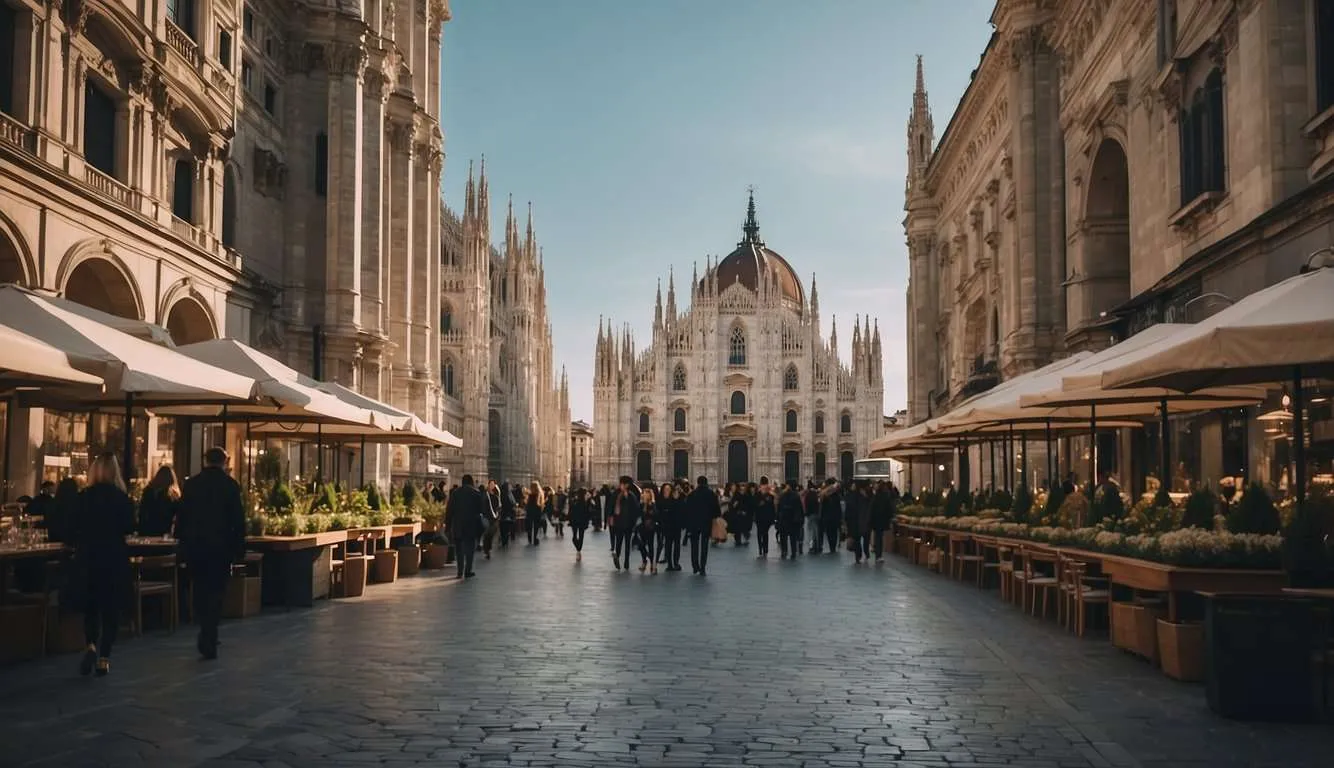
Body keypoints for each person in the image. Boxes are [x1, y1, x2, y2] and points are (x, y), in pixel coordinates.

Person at [178, 446, 246, 661]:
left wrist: (182, 543)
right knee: (217, 591)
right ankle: (210, 631)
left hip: (196, 547)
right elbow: (238, 520)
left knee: (199, 588)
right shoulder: (230, 486)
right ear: (225, 461)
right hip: (221, 548)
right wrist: (239, 549)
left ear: (205, 460)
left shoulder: (191, 485)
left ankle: (205, 626)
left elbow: (182, 517)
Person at [71, 454, 134, 677]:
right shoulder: (121, 498)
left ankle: (90, 644)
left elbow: (72, 525)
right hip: (113, 556)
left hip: (88, 556)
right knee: (111, 609)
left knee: (91, 606)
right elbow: (129, 526)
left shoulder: (83, 497)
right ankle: (104, 658)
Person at [445, 475, 487, 579]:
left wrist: (448, 525)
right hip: (471, 525)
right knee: (470, 548)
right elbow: (481, 510)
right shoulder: (476, 493)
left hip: (458, 525)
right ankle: (468, 570)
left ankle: (459, 571)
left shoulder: (455, 493)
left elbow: (449, 510)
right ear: (471, 482)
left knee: (459, 549)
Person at [684, 476, 721, 575]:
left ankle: (695, 566)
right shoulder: (711, 494)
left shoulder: (692, 494)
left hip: (694, 523)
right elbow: (717, 510)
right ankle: (703, 567)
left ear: (697, 483)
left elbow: (687, 509)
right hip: (706, 522)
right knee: (704, 545)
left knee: (694, 545)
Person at [137, 465, 181, 537]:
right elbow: (178, 514)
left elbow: (142, 512)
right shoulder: (171, 495)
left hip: (147, 531)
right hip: (164, 533)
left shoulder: (148, 491)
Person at [610, 475, 641, 571]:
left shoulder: (631, 495)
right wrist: (610, 517)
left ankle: (626, 561)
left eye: (622, 484)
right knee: (619, 542)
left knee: (628, 543)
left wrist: (634, 522)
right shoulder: (616, 494)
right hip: (619, 522)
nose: (621, 485)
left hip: (628, 523)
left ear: (626, 485)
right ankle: (617, 557)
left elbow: (636, 508)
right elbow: (611, 505)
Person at [657, 483, 682, 571]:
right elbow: (659, 511)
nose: (666, 491)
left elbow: (680, 509)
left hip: (676, 525)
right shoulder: (660, 499)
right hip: (666, 525)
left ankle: (676, 563)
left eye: (668, 489)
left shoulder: (675, 498)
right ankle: (670, 564)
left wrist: (676, 500)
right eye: (665, 489)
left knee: (676, 545)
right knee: (668, 544)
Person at [778, 482, 804, 559]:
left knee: (783, 537)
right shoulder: (796, 496)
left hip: (784, 519)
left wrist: (778, 517)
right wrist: (800, 518)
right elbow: (799, 509)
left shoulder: (782, 495)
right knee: (793, 537)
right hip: (793, 519)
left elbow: (779, 508)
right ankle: (793, 552)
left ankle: (784, 551)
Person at [870, 481, 895, 562]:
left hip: (875, 520)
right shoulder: (886, 496)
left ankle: (877, 553)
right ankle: (879, 555)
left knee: (877, 536)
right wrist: (890, 517)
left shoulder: (875, 496)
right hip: (882, 520)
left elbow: (872, 508)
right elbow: (889, 508)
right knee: (880, 537)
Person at [635, 487, 658, 573]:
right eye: (644, 493)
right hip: (642, 527)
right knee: (641, 545)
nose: (645, 495)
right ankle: (644, 560)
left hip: (650, 528)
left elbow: (655, 514)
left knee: (651, 545)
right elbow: (638, 513)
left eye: (647, 494)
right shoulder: (641, 504)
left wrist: (649, 507)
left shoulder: (652, 504)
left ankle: (652, 563)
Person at [753, 481, 776, 558]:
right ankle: (760, 548)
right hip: (759, 517)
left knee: (765, 533)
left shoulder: (770, 495)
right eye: (763, 485)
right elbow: (754, 505)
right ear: (760, 486)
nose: (764, 487)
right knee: (759, 532)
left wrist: (773, 517)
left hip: (767, 517)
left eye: (765, 485)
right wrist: (760, 504)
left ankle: (765, 549)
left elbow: (772, 507)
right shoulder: (757, 495)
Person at [820, 479, 842, 554]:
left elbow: (822, 507)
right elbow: (838, 508)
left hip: (828, 517)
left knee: (830, 533)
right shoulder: (836, 496)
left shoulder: (825, 496)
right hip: (834, 517)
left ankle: (831, 547)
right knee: (834, 532)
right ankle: (833, 547)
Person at [569, 488, 591, 561]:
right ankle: (578, 550)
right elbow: (571, 511)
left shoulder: (586, 502)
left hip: (580, 522)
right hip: (576, 521)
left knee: (579, 537)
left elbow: (588, 513)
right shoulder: (575, 501)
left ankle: (578, 551)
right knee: (575, 538)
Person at [482, 480, 501, 559]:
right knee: (487, 534)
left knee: (491, 534)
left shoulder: (496, 495)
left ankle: (488, 548)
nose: (492, 486)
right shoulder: (485, 495)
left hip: (494, 517)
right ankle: (487, 550)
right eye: (491, 484)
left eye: (493, 484)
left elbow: (499, 506)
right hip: (487, 516)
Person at [804, 481, 823, 555]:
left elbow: (806, 505)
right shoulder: (816, 495)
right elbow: (819, 504)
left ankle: (811, 547)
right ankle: (817, 546)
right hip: (816, 515)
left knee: (811, 532)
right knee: (816, 531)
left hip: (810, 515)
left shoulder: (808, 495)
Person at [498, 480, 517, 548]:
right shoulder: (505, 494)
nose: (510, 487)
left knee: (504, 528)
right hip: (506, 513)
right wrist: (513, 505)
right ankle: (505, 541)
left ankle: (504, 541)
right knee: (505, 528)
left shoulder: (507, 493)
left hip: (505, 514)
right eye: (509, 486)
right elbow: (508, 504)